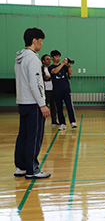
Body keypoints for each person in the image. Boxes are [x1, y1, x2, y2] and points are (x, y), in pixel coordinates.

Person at [14, 27, 51, 179]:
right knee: (34, 137)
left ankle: (21, 167)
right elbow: (36, 83)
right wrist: (42, 104)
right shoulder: (33, 58)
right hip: (33, 104)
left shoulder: (20, 58)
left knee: (23, 135)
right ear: (34, 41)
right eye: (41, 42)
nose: (42, 45)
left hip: (22, 102)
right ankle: (32, 169)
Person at [49, 50, 77, 131]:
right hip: (57, 90)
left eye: (59, 56)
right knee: (59, 107)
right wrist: (63, 64)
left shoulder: (64, 66)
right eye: (56, 56)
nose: (58, 58)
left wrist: (68, 66)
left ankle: (73, 122)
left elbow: (70, 73)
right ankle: (62, 123)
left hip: (66, 89)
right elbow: (55, 71)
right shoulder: (51, 67)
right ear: (53, 58)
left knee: (69, 105)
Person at [41, 54, 58, 126]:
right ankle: (42, 122)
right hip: (45, 90)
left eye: (50, 59)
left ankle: (54, 121)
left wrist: (51, 77)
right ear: (43, 61)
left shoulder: (52, 68)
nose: (49, 60)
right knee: (44, 106)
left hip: (53, 89)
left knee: (54, 106)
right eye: (47, 59)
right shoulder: (41, 69)